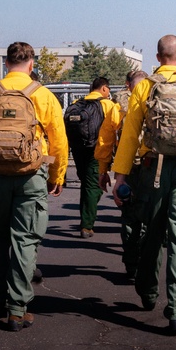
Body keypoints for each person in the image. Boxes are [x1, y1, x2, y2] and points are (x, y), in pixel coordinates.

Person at [111, 35, 176, 335]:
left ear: (158, 57)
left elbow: (131, 134)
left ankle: (147, 291)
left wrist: (120, 176)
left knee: (152, 233)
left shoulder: (145, 86)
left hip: (151, 168)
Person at [0, 41, 68, 331]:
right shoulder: (44, 96)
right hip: (31, 176)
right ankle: (17, 310)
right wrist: (56, 176)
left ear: (5, 63)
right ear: (31, 64)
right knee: (25, 241)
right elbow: (59, 143)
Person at [97, 70, 147, 281]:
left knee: (129, 217)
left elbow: (106, 140)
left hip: (127, 169)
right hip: (155, 168)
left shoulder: (118, 107)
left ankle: (131, 263)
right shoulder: (157, 104)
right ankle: (148, 263)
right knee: (153, 217)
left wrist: (103, 170)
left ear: (129, 86)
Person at [65, 76, 119, 238]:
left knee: (86, 184)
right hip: (96, 150)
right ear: (103, 88)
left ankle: (86, 219)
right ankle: (87, 225)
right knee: (93, 186)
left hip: (77, 149)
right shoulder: (108, 105)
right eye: (108, 89)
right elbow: (118, 126)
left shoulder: (75, 104)